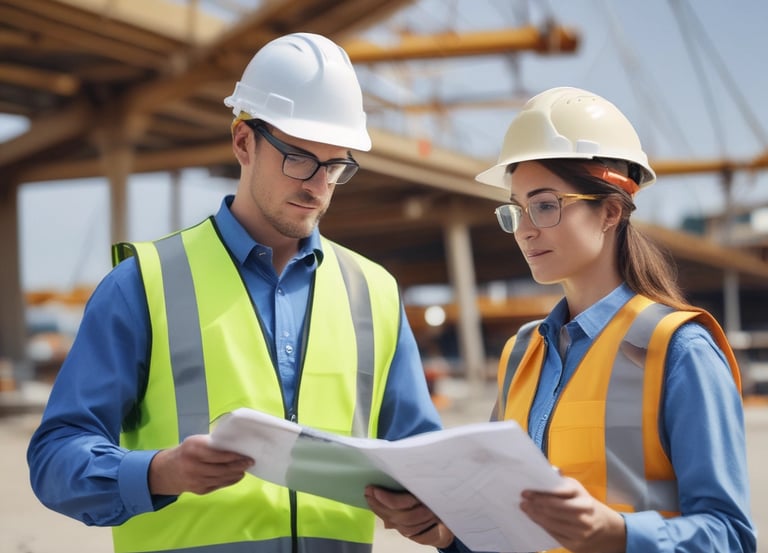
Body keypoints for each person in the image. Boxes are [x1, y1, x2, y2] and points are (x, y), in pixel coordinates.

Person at [27, 32, 442, 553]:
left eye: (336, 165)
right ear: (243, 142)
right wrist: (160, 472)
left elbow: (426, 462)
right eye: (299, 158)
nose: (316, 184)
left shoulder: (374, 292)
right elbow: (54, 461)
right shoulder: (145, 283)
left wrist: (433, 506)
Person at [364, 87, 757, 553]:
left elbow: (731, 536)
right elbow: (506, 522)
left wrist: (618, 534)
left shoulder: (677, 349)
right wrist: (450, 533)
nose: (525, 228)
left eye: (546, 205)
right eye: (516, 208)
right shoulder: (521, 354)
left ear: (610, 210)